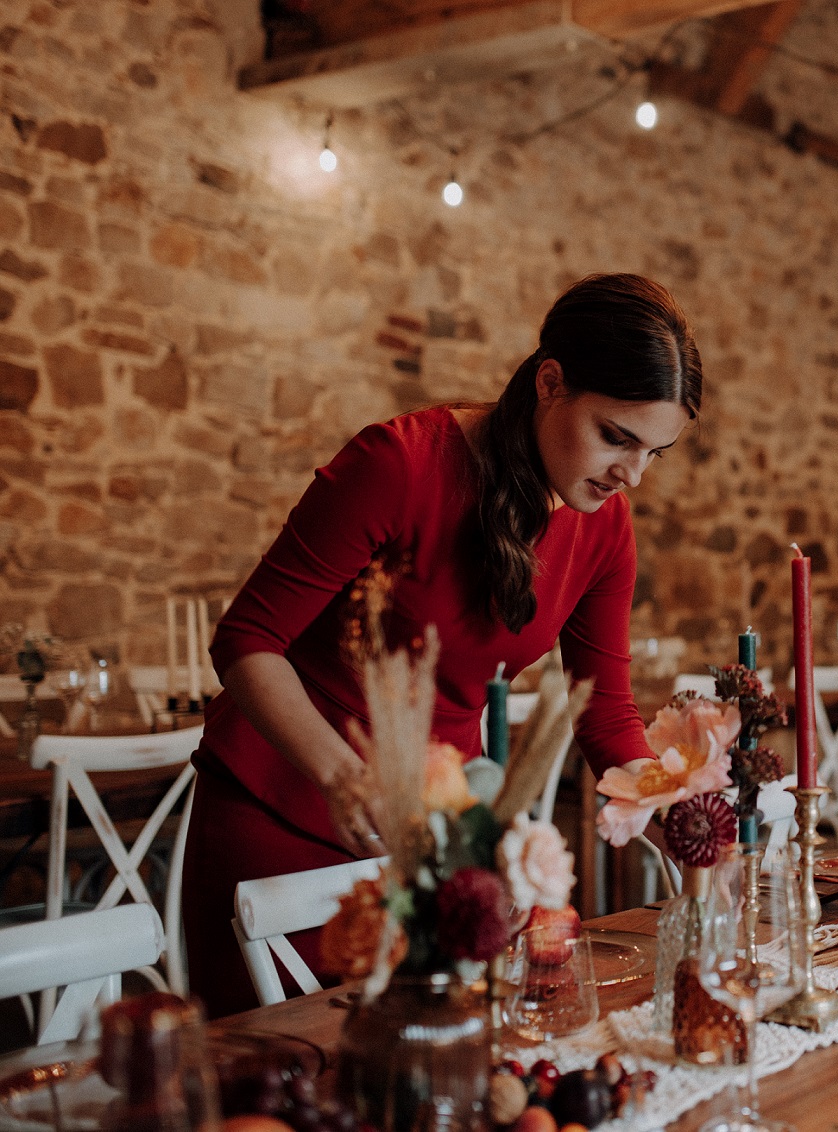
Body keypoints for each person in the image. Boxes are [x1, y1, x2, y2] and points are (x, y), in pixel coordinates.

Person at [184, 273, 700, 1016]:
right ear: (550, 382)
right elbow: (246, 642)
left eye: (656, 452)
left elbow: (605, 709)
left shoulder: (605, 529)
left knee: (443, 1060)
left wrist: (680, 807)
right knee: (289, 1067)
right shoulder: (399, 463)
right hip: (285, 812)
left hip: (439, 838)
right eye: (616, 437)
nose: (633, 475)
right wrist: (345, 777)